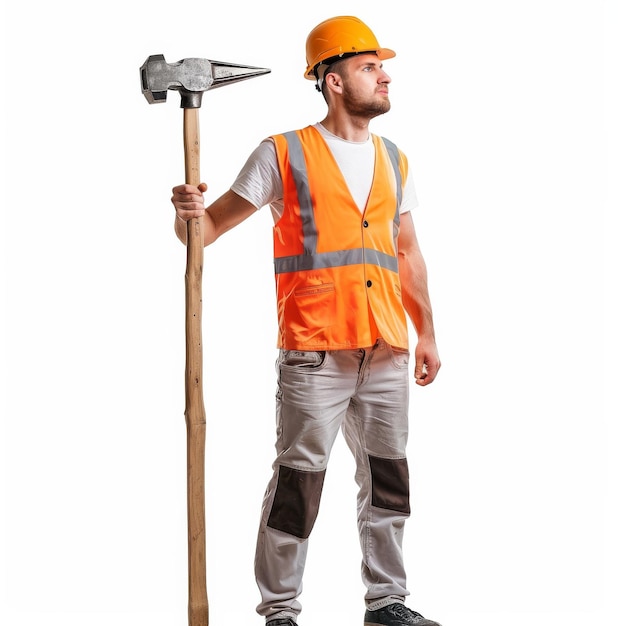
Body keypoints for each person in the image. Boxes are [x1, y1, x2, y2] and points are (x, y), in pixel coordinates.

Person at [170, 15, 442, 626]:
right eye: (370, 66)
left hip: (388, 346)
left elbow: (407, 252)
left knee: (389, 479)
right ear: (333, 80)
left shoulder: (395, 160)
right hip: (315, 349)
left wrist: (426, 331)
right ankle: (281, 612)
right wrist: (188, 213)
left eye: (381, 65)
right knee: (299, 483)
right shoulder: (283, 152)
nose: (384, 75)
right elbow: (206, 230)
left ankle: (387, 602)